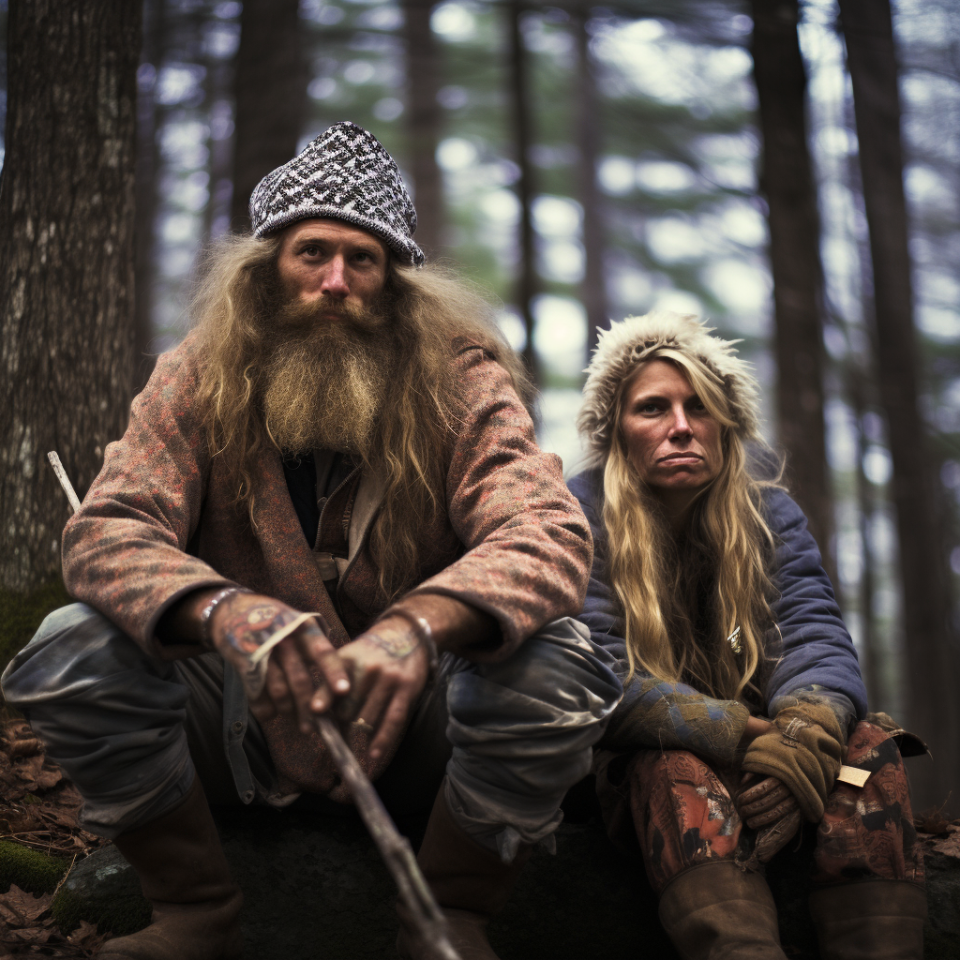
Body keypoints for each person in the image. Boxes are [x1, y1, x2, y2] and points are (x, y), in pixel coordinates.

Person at [2, 121, 620, 960]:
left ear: (396, 284)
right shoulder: (195, 373)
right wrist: (224, 613)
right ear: (266, 271)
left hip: (419, 731)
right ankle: (195, 910)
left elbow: (545, 529)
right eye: (311, 254)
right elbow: (108, 530)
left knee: (559, 661)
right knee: (68, 647)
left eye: (362, 261)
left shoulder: (461, 379)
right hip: (237, 722)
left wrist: (420, 626)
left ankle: (450, 915)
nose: (335, 281)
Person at [568, 311, 926, 959]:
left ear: (723, 424)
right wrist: (743, 735)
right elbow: (594, 673)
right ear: (614, 429)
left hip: (764, 752)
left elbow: (814, 635)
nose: (681, 425)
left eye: (699, 407)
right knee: (670, 765)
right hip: (638, 771)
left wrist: (806, 737)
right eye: (653, 408)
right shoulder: (578, 514)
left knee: (868, 747)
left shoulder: (767, 510)